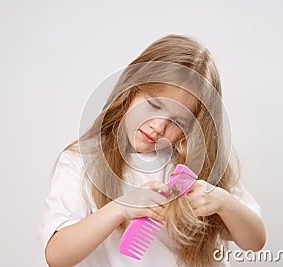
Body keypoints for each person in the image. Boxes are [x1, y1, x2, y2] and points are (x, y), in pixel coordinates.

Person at [38, 34, 266, 267]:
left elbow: (255, 241)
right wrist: (121, 208)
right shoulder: (83, 162)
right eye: (154, 105)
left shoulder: (194, 166)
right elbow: (57, 256)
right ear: (131, 88)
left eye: (178, 122)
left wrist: (223, 202)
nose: (158, 126)